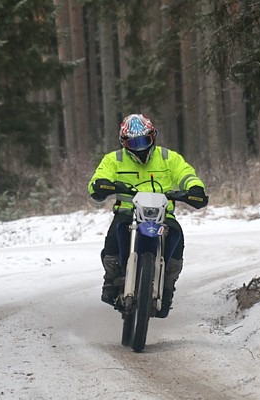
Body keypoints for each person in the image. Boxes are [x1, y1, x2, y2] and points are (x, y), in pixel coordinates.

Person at [88, 113, 208, 318]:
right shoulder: (113, 159)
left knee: (176, 235)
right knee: (115, 233)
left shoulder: (169, 157)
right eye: (134, 142)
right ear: (124, 142)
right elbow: (98, 179)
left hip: (162, 214)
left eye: (144, 141)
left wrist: (194, 188)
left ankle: (168, 286)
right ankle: (111, 279)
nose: (140, 147)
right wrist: (101, 185)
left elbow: (186, 174)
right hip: (128, 212)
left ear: (153, 137)